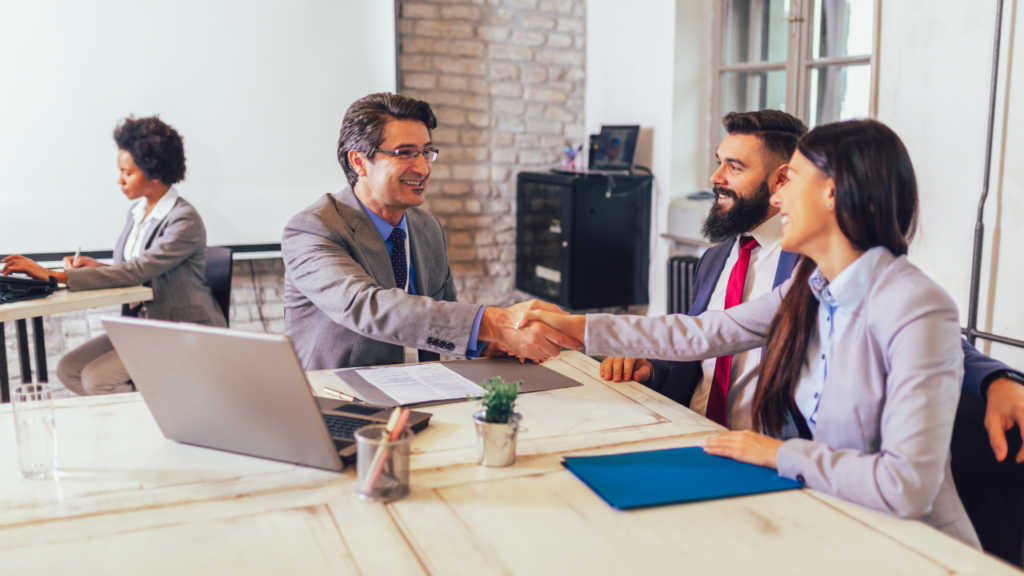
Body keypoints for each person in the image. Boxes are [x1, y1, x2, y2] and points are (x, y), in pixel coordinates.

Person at [518, 120, 981, 547]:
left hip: (918, 547)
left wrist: (778, 454)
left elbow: (907, 488)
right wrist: (576, 326)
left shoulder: (917, 305)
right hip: (834, 521)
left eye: (792, 181)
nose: (777, 199)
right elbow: (700, 333)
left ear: (833, 194)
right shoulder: (811, 288)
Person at [601, 110, 1024, 464]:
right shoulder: (716, 259)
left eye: (735, 167)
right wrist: (651, 365)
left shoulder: (817, 266)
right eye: (719, 161)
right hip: (697, 439)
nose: (715, 178)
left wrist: (997, 378)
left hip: (775, 459)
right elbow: (704, 336)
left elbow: (923, 330)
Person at [282, 92, 580, 371]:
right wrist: (497, 323)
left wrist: (489, 343)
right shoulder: (312, 229)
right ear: (359, 161)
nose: (423, 168)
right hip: (335, 403)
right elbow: (368, 307)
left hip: (420, 390)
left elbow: (442, 313)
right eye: (405, 153)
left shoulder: (427, 227)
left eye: (427, 152)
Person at [1, 116, 225, 395]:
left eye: (127, 172)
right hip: (142, 326)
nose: (119, 179)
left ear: (154, 172)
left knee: (96, 379)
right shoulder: (137, 213)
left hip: (183, 330)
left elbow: (137, 271)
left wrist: (56, 276)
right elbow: (130, 269)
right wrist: (95, 267)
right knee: (68, 369)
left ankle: (155, 419)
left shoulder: (184, 220)